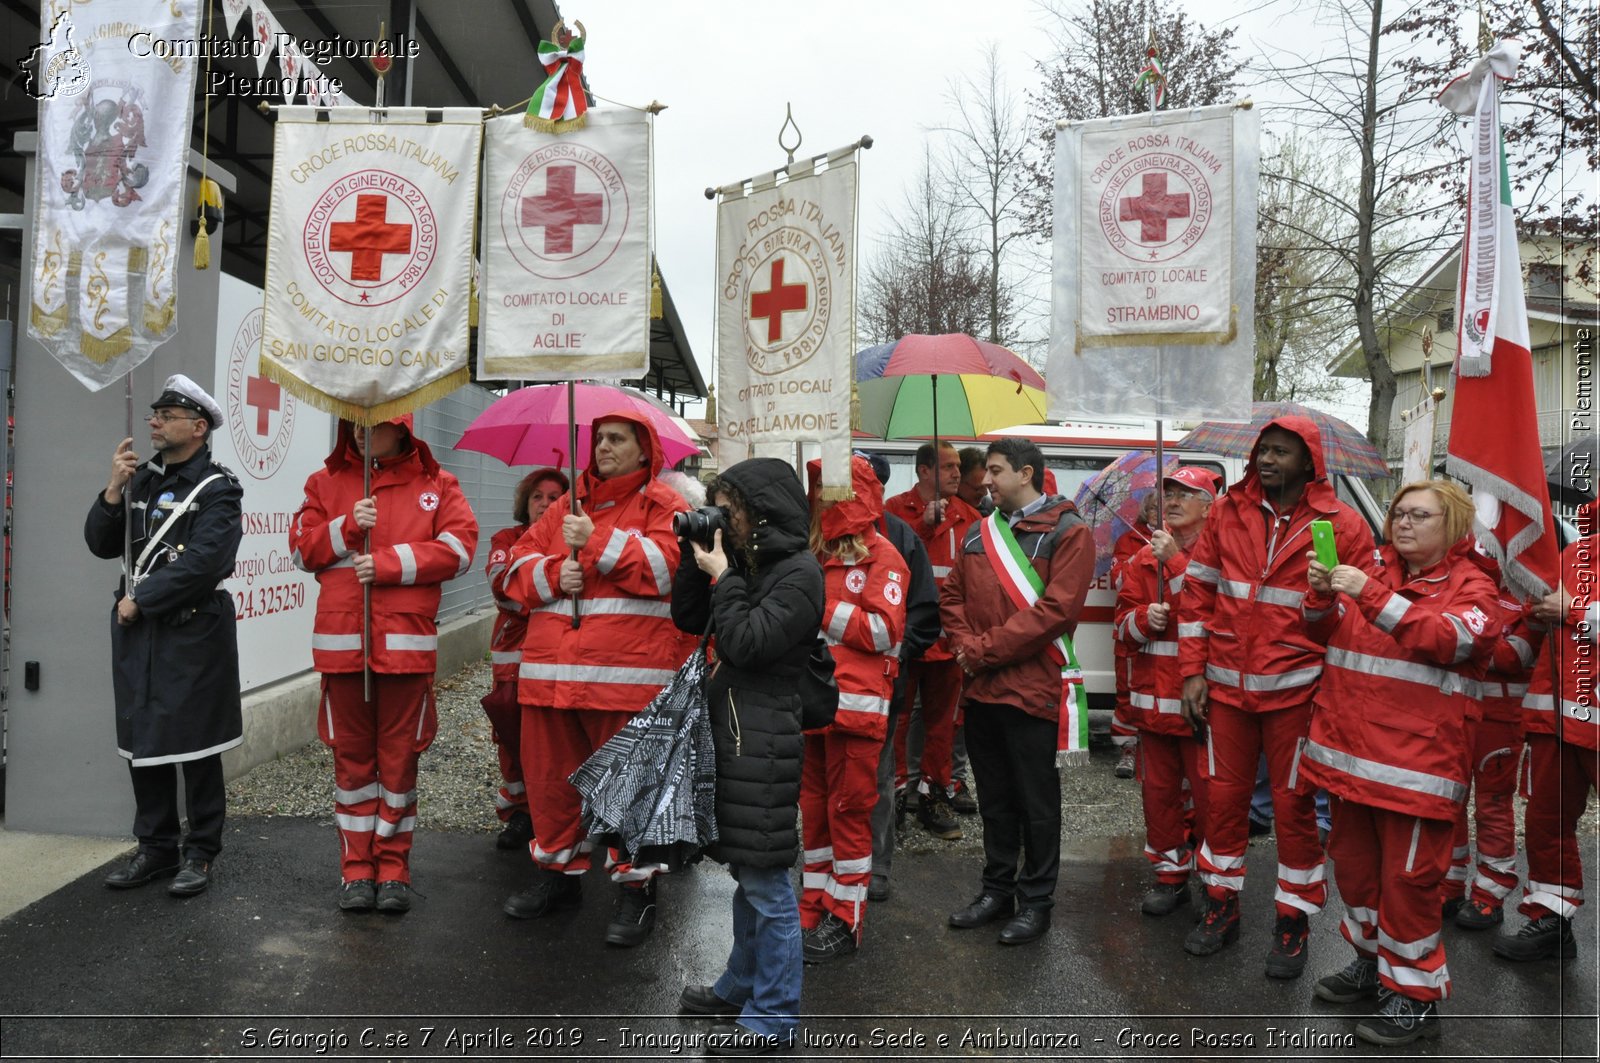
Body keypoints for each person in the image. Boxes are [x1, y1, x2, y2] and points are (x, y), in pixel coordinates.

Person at [1301, 480, 1498, 1045]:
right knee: (1357, 877)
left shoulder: (1473, 588)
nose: (1403, 522)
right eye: (1398, 513)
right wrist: (1319, 597)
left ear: (1453, 526)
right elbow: (1317, 633)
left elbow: (1448, 640)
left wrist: (1369, 595)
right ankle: (1371, 963)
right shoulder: (1373, 570)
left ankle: (1414, 995)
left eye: (1420, 515)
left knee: (1409, 885)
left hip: (1416, 772)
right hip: (1349, 762)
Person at [1177, 416, 1376, 977]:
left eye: (1282, 453)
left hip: (1299, 695)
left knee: (1293, 813)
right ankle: (1221, 906)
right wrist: (1193, 672)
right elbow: (1198, 594)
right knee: (1221, 802)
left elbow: (1359, 616)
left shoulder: (1344, 525)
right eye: (1263, 450)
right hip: (1224, 692)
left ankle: (1293, 921)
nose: (1267, 461)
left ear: (1309, 463)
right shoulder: (1225, 510)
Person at [500, 413, 694, 946]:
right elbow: (514, 568)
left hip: (623, 680)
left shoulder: (664, 504)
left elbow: (669, 572)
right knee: (549, 786)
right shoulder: (564, 507)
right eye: (598, 439)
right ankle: (557, 877)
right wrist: (550, 575)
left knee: (629, 791)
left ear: (642, 448)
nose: (603, 447)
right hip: (550, 677)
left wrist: (598, 541)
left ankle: (637, 891)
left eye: (616, 439)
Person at [289, 415, 478, 913]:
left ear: (404, 430)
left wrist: (390, 564)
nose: (359, 433)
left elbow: (460, 550)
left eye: (373, 426)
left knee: (398, 765)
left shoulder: (438, 484)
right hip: (343, 649)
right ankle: (356, 872)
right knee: (351, 766)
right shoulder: (324, 483)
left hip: (406, 652)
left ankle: (393, 869)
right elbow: (300, 551)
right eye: (353, 425)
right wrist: (349, 526)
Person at [671, 458, 824, 1057]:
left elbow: (747, 643)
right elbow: (689, 619)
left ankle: (775, 1016)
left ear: (761, 512)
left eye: (728, 507)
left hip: (764, 734)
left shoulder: (799, 573)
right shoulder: (749, 564)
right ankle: (741, 985)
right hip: (735, 729)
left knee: (766, 880)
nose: (721, 517)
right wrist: (695, 557)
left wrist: (726, 574)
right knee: (745, 871)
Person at [85, 374, 243, 898]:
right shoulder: (142, 481)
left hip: (191, 631)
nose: (154, 421)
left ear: (198, 427)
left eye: (166, 415)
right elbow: (101, 544)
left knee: (196, 746)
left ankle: (200, 852)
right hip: (140, 635)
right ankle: (155, 848)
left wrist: (142, 600)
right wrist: (112, 488)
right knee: (143, 742)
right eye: (154, 412)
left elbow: (206, 562)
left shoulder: (218, 489)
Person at [943, 437, 1094, 946]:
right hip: (984, 690)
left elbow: (1055, 613)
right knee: (995, 801)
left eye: (996, 470)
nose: (986, 479)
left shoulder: (1069, 533)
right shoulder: (977, 532)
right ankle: (996, 890)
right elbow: (952, 596)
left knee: (1037, 803)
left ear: (1026, 473)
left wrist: (981, 650)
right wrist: (965, 645)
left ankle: (1036, 902)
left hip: (1032, 691)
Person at [800, 455, 908, 962]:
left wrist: (818, 605)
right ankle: (815, 901)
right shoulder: (812, 557)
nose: (828, 500)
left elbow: (885, 632)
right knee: (814, 812)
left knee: (848, 814)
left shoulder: (883, 557)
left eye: (837, 490)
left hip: (858, 713)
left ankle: (847, 918)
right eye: (821, 490)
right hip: (813, 708)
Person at [1115, 467, 1218, 916]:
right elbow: (1120, 631)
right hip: (1154, 704)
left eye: (1186, 494)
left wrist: (1175, 562)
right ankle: (1170, 875)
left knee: (1213, 796)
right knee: (1159, 794)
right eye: (1169, 493)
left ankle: (1218, 879)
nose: (1172, 501)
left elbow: (1211, 612)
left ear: (1209, 507)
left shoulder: (1222, 557)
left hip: (1202, 706)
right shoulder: (1142, 561)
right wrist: (1142, 621)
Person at [1493, 524, 1598, 962]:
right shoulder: (1576, 553)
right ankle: (1553, 920)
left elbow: (1573, 613)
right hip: (1557, 715)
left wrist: (1576, 611)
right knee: (1546, 822)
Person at [884, 442, 979, 841]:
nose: (958, 473)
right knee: (900, 721)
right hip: (908, 638)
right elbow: (890, 567)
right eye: (948, 467)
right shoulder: (892, 512)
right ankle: (896, 802)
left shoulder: (971, 518)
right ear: (924, 471)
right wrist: (924, 526)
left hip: (950, 644)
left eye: (959, 466)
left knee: (943, 725)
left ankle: (933, 796)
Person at [857, 452, 940, 904]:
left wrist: (894, 655)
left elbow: (925, 615)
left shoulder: (900, 537)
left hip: (882, 686)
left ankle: (877, 865)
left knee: (878, 771)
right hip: (824, 685)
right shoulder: (817, 535)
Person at [1443, 553, 1539, 929]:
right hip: (1456, 709)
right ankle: (1448, 883)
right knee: (1449, 799)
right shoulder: (1460, 582)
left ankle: (1491, 892)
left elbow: (1515, 656)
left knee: (1493, 805)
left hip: (1500, 719)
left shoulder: (1532, 593)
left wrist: (1462, 639)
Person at [482, 468, 568, 850]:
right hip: (513, 661)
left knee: (558, 740)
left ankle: (560, 817)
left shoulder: (573, 543)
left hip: (559, 659)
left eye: (554, 498)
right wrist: (555, 585)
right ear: (525, 502)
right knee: (512, 740)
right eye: (538, 497)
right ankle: (520, 813)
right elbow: (505, 589)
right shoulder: (507, 539)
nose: (545, 505)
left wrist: (538, 580)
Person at [1110, 490, 1161, 779]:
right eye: (1152, 508)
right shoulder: (1128, 540)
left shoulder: (1180, 540)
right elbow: (1119, 581)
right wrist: (1142, 555)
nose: (1157, 513)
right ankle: (1127, 748)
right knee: (1127, 690)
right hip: (1131, 628)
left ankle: (1153, 747)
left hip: (1164, 626)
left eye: (1161, 507)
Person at [957, 446, 993, 517]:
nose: (985, 493)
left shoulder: (988, 505)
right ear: (958, 481)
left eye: (987, 486)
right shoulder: (942, 511)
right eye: (978, 488)